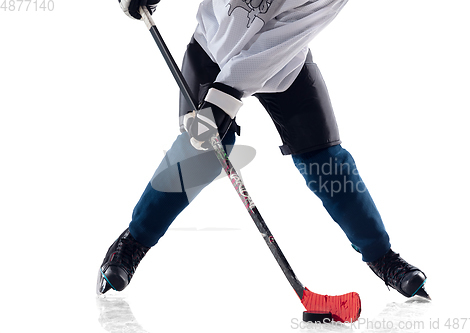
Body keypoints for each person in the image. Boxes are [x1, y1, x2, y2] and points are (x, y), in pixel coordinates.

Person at [97, 0, 430, 300]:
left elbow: (281, 41)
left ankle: (381, 256)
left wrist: (225, 97)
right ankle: (132, 243)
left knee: (325, 161)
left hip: (281, 62)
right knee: (202, 152)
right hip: (212, 47)